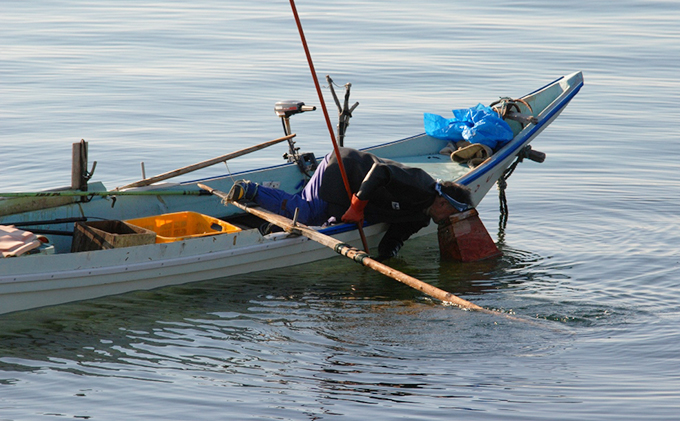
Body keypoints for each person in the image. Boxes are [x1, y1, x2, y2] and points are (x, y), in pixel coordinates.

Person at [228, 147, 473, 261]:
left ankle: (275, 226)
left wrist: (387, 260)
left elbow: (395, 238)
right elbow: (380, 171)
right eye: (451, 213)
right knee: (308, 214)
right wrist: (356, 207)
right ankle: (252, 189)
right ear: (442, 202)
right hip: (344, 168)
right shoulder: (419, 183)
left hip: (354, 193)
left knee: (329, 222)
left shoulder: (421, 218)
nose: (449, 219)